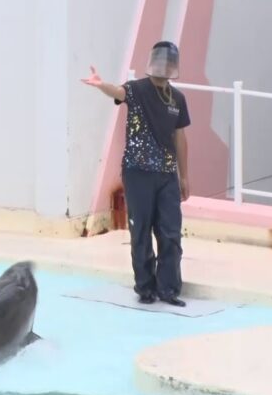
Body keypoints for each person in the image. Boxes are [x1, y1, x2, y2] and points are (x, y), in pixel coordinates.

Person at [82, 41, 191, 307]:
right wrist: (101, 85)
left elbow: (180, 138)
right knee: (140, 230)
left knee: (170, 232)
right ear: (152, 61)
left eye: (169, 61)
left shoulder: (177, 99)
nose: (164, 65)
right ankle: (145, 287)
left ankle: (168, 289)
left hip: (166, 174)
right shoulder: (136, 89)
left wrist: (184, 176)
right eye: (160, 59)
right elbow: (118, 92)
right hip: (137, 172)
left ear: (174, 65)